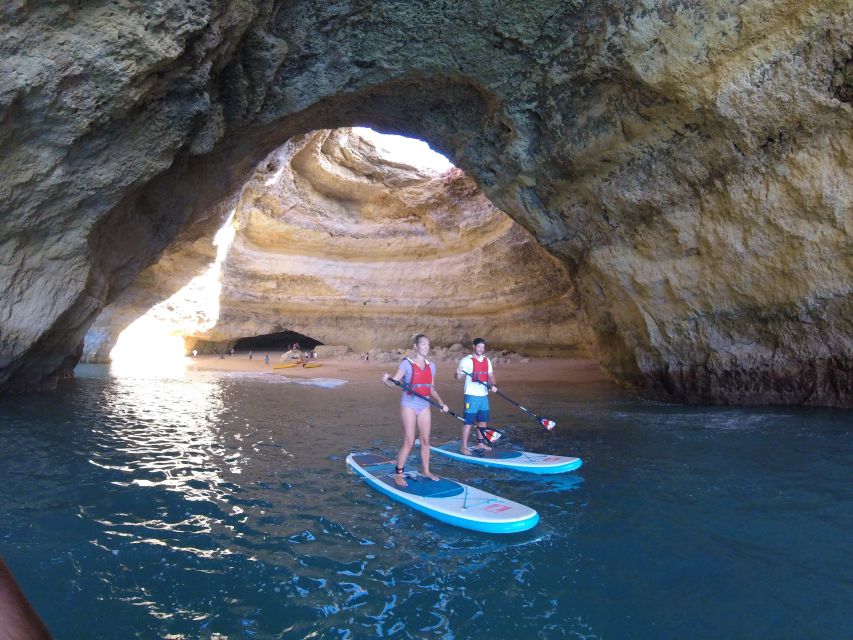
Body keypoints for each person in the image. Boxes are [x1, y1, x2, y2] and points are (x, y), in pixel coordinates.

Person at [382, 334, 449, 487]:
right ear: (416, 346)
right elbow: (393, 383)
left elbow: (431, 388)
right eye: (424, 344)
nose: (427, 347)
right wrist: (387, 380)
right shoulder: (406, 364)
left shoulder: (431, 366)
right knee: (409, 441)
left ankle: (426, 470)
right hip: (409, 405)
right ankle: (398, 474)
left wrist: (441, 402)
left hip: (424, 406)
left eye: (428, 344)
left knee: (425, 440)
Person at [455, 337, 498, 455]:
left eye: (483, 347)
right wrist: (459, 373)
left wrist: (493, 385)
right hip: (471, 395)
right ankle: (463, 447)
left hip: (483, 395)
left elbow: (491, 375)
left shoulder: (486, 360)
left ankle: (480, 442)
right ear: (473, 347)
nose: (481, 349)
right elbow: (457, 377)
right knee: (468, 421)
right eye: (479, 347)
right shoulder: (466, 361)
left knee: (482, 421)